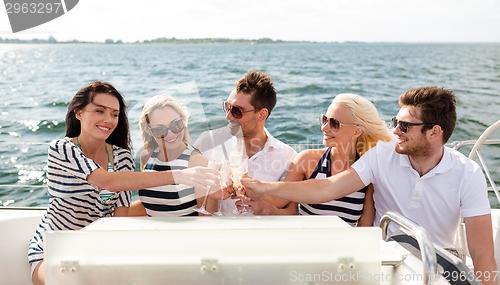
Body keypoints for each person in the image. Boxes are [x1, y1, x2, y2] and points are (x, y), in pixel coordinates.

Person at [242, 86, 496, 283]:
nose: (395, 130)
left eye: (405, 125)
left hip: (436, 264)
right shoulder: (381, 156)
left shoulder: (467, 172)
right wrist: (263, 187)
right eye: (395, 122)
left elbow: (482, 254)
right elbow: (328, 187)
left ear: (434, 132)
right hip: (385, 263)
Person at [28, 82, 220, 285]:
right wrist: (180, 176)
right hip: (54, 248)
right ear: (79, 113)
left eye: (114, 114)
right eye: (99, 111)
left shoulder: (122, 157)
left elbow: (120, 215)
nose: (108, 119)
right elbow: (107, 182)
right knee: (63, 280)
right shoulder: (62, 148)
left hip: (95, 249)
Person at [194, 70, 297, 215]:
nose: (228, 116)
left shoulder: (287, 157)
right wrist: (212, 194)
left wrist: (265, 207)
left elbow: (292, 214)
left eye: (237, 111)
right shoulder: (209, 145)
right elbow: (204, 216)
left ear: (262, 114)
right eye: (227, 107)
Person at [280, 93, 393, 225]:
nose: (324, 128)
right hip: (307, 241)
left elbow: (364, 228)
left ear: (357, 132)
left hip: (347, 245)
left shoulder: (367, 172)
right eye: (324, 119)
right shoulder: (307, 160)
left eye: (334, 123)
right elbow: (281, 203)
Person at [129, 95, 216, 216]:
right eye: (160, 129)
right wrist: (108, 214)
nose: (170, 134)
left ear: (184, 122)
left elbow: (206, 216)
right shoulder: (147, 157)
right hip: (152, 232)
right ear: (149, 131)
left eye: (176, 125)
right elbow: (152, 204)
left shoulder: (197, 162)